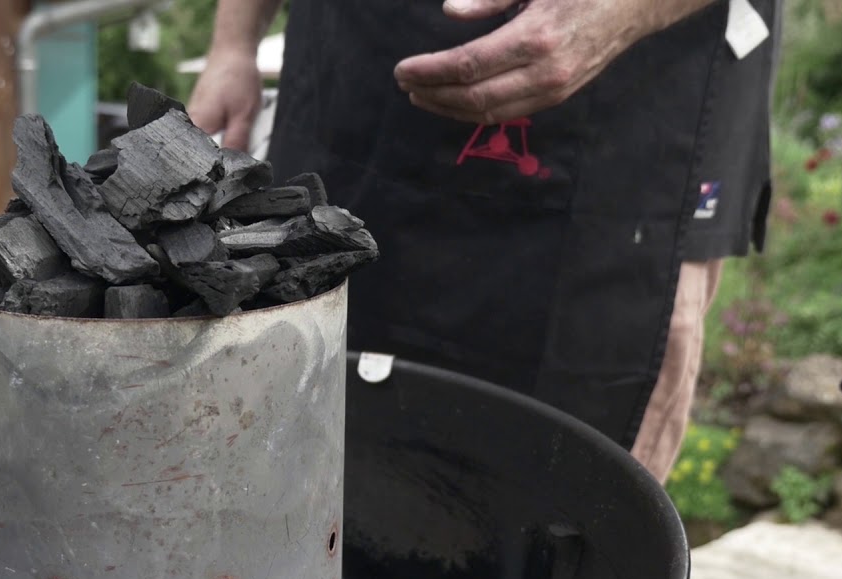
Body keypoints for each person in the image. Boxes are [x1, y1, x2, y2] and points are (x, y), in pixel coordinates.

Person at [189, 0, 779, 483]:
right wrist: (233, 42)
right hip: (353, 84)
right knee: (305, 455)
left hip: (628, 116)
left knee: (573, 510)